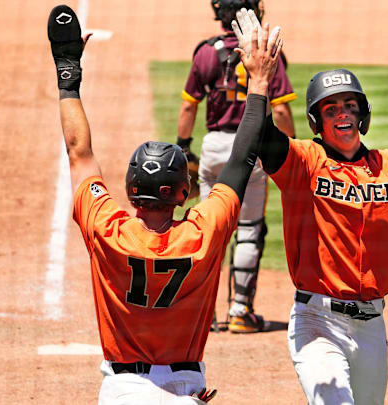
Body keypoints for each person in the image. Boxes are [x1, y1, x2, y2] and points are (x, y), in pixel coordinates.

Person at [229, 11, 388, 401]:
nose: (343, 113)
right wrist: (259, 79)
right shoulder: (303, 162)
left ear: (363, 114)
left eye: (350, 105)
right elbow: (258, 136)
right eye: (331, 108)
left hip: (372, 325)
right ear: (316, 120)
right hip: (317, 321)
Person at [48, 4, 282, 403]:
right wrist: (259, 81)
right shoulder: (203, 232)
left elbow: (78, 152)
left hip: (122, 391)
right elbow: (242, 157)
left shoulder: (107, 228)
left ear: (130, 187)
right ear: (180, 193)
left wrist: (68, 75)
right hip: (185, 387)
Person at [177, 0, 297, 333]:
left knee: (208, 230)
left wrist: (183, 146)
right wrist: (293, 151)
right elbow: (283, 113)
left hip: (214, 148)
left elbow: (188, 109)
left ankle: (202, 313)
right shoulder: (265, 52)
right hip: (252, 150)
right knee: (248, 229)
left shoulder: (205, 52)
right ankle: (241, 311)